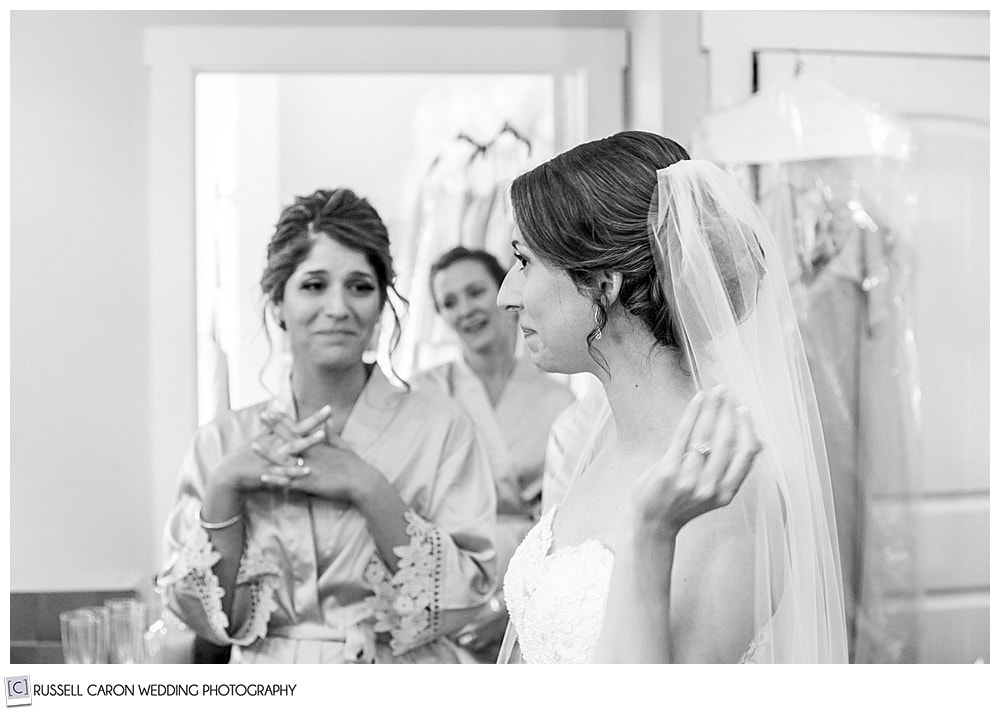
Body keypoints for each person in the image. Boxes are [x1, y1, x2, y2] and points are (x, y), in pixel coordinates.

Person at [496, 131, 848, 663]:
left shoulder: (729, 491)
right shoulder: (601, 438)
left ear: (603, 283)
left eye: (524, 262)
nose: (506, 295)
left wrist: (648, 532)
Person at [158, 188, 498, 663]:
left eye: (359, 286)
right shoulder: (220, 444)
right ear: (277, 303)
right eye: (314, 285)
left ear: (381, 305)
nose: (338, 307)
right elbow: (199, 617)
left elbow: (470, 593)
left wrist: (368, 487)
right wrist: (223, 489)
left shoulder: (443, 427)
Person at [411, 246, 575, 662]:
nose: (465, 309)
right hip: (447, 573)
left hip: (529, 576)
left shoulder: (557, 395)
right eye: (449, 302)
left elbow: (566, 514)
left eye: (475, 292)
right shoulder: (424, 393)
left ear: (505, 291)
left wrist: (510, 610)